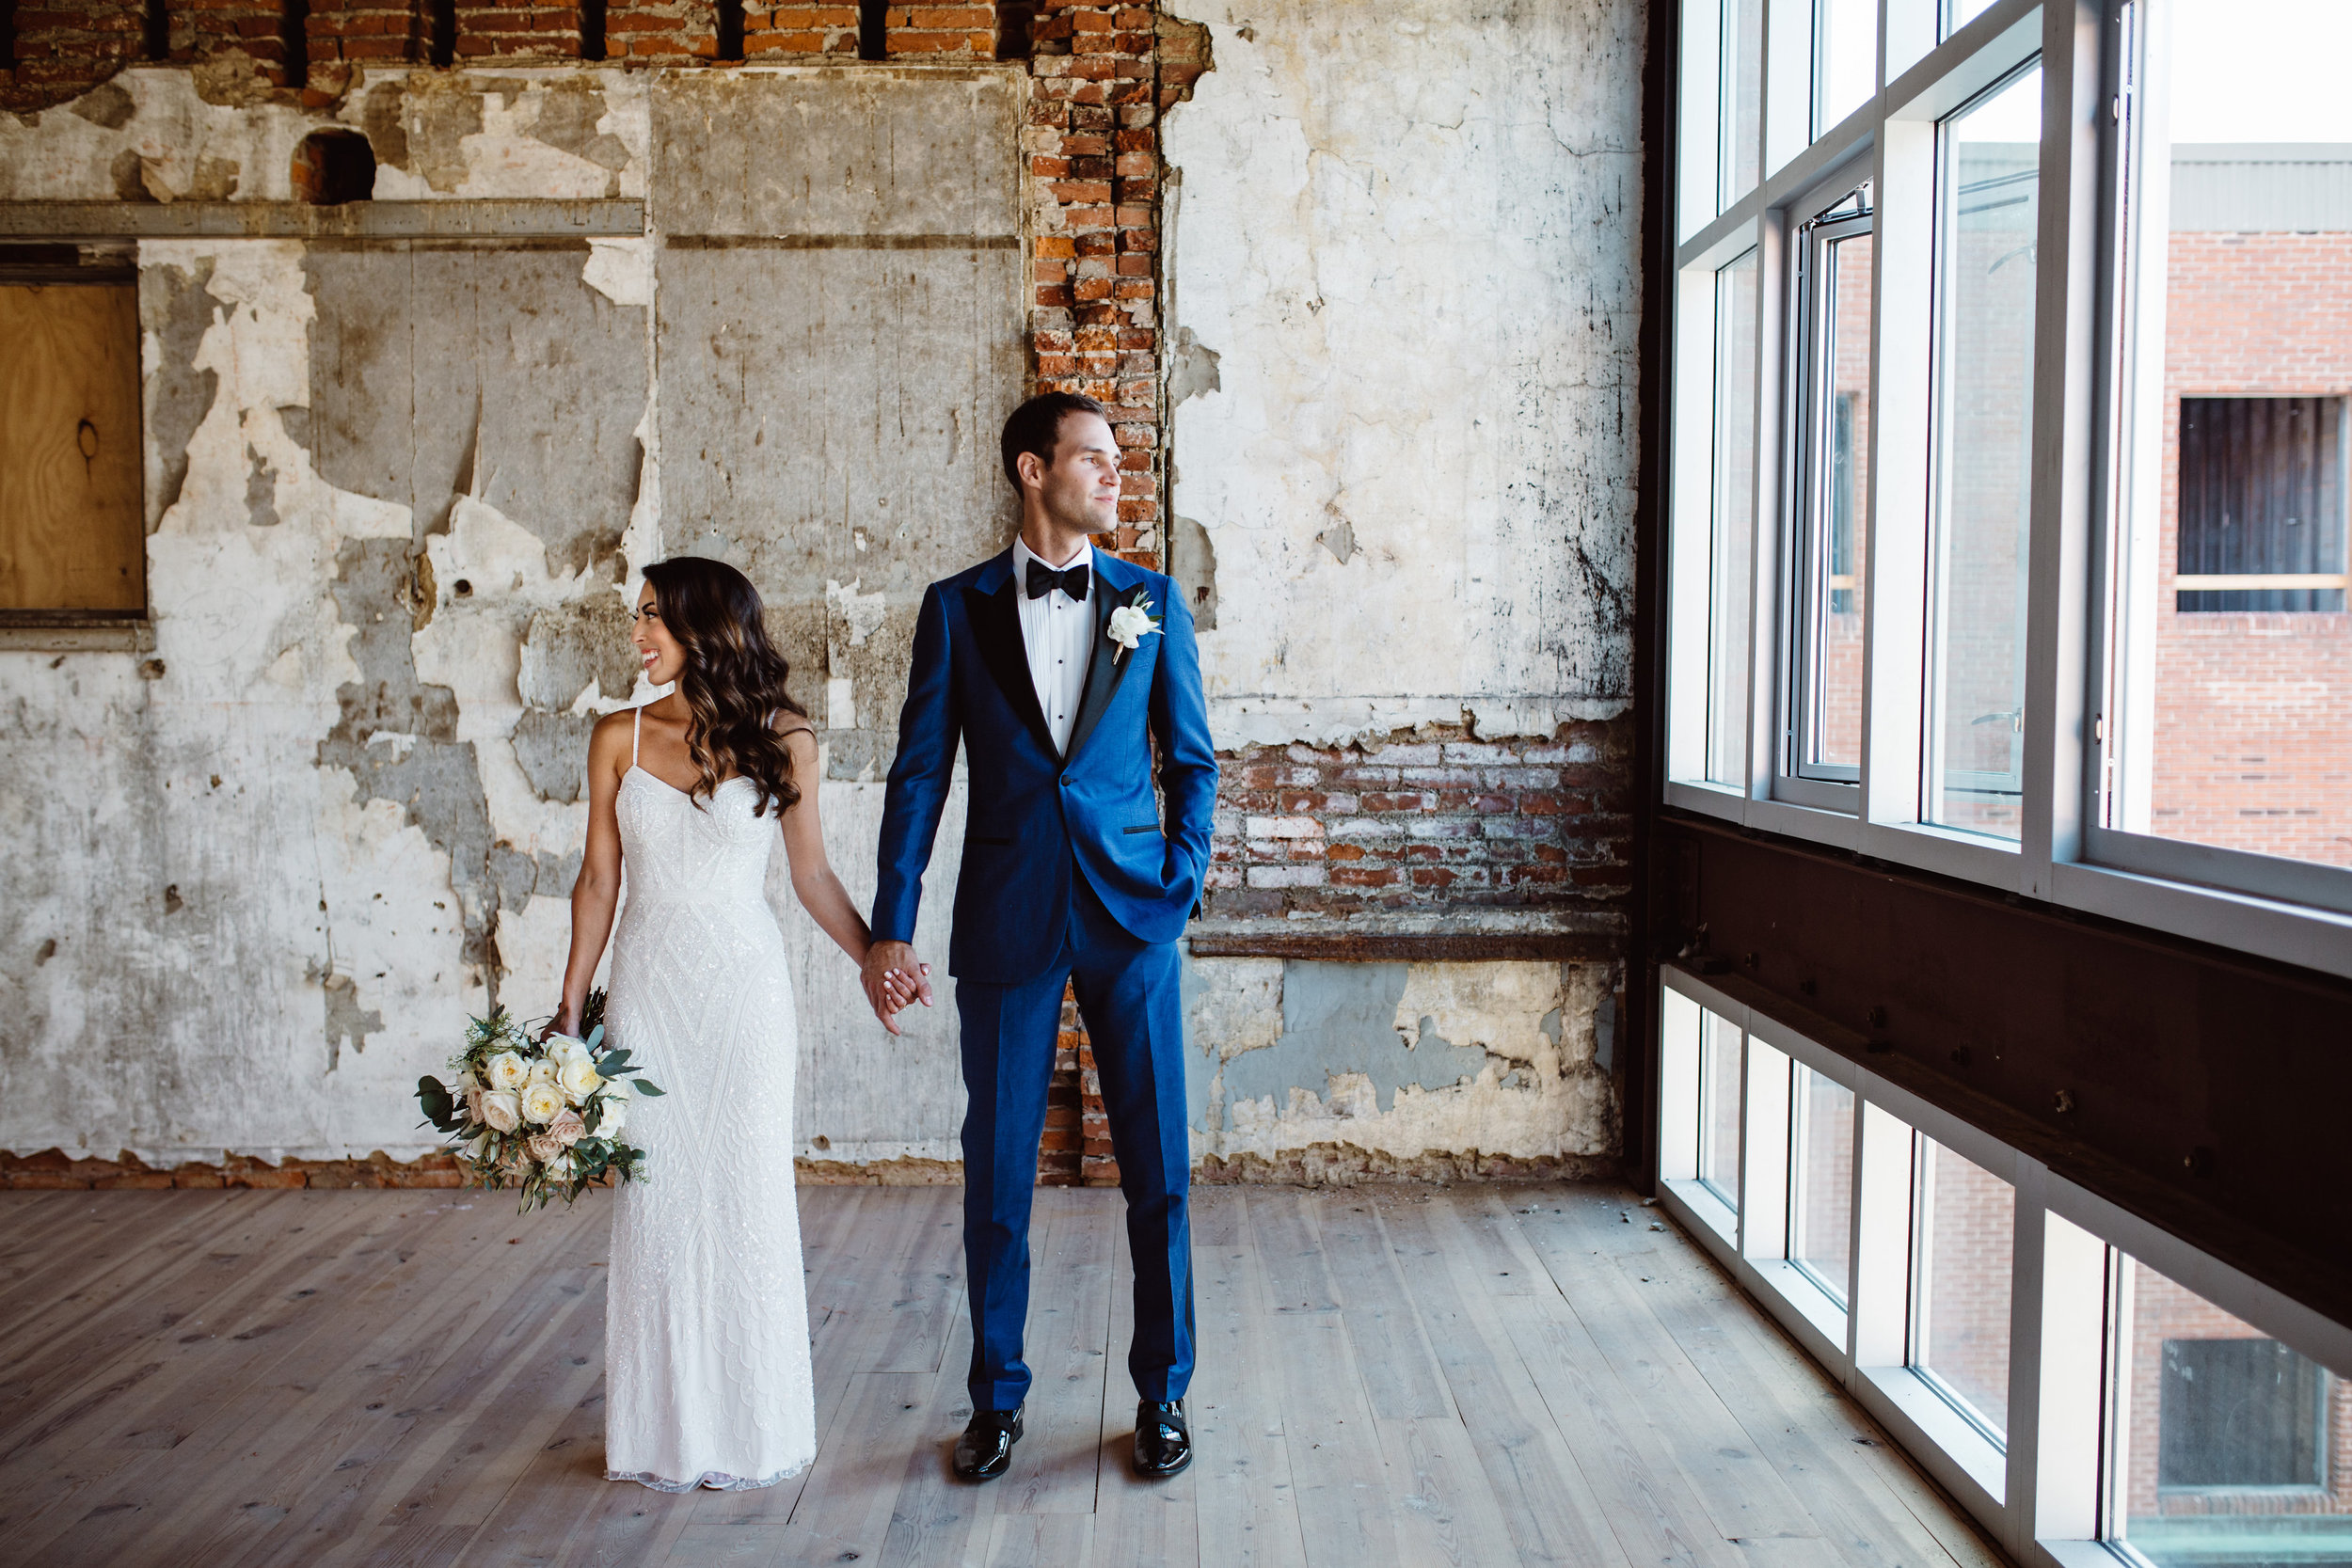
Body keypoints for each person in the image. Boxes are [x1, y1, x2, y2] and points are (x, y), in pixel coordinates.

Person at [863, 391, 1219, 1482]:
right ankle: (996, 1398)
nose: (1114, 476)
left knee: (1157, 1171)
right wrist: (891, 922)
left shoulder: (1152, 603)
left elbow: (1193, 758)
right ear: (1032, 469)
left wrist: (1183, 873)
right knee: (997, 1171)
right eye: (1093, 460)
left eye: (1116, 462)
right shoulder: (955, 606)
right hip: (1008, 918)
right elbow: (921, 771)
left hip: (1131, 916)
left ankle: (1161, 1395)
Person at [550, 556, 876, 1492]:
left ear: (706, 626)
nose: (638, 634)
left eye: (652, 616)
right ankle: (663, 1432)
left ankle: (755, 1421)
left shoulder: (786, 734)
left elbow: (811, 876)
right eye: (638, 616)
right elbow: (598, 880)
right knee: (656, 1202)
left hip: (744, 999)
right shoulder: (619, 735)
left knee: (743, 1196)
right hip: (648, 994)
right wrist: (569, 1012)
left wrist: (874, 960)